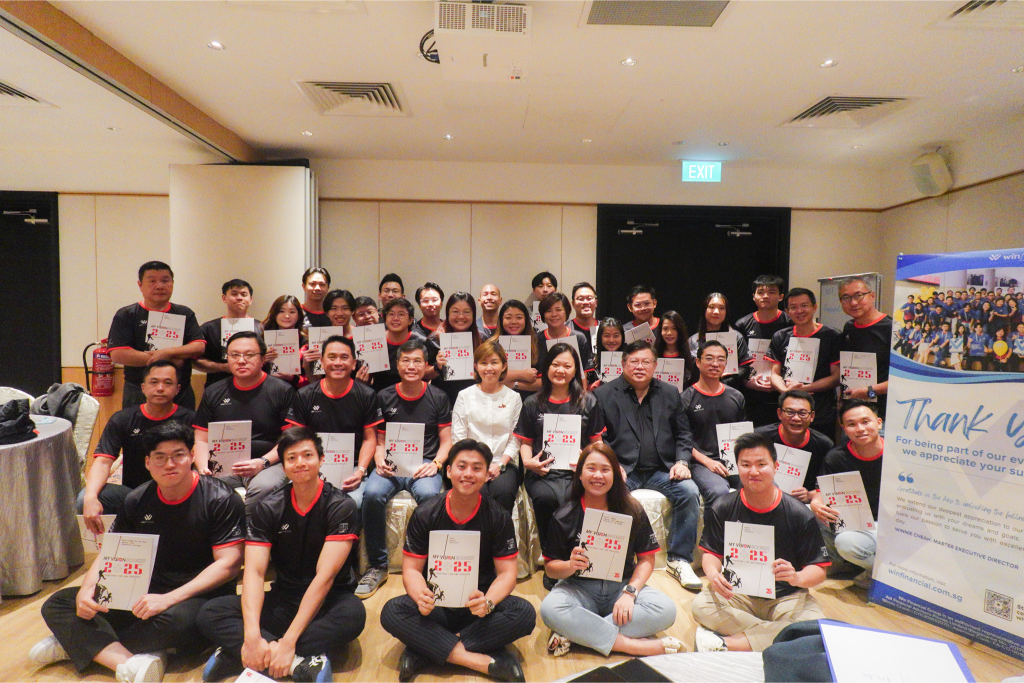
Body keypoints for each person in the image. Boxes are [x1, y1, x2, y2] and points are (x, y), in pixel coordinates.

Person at [31, 422, 245, 683]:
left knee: (181, 622)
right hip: (144, 590)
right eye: (160, 457)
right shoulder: (137, 499)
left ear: (191, 456)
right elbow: (111, 552)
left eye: (178, 455)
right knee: (60, 603)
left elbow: (229, 565)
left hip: (197, 596)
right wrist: (87, 589)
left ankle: (77, 643)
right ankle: (128, 660)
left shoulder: (221, 498)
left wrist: (168, 599)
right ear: (147, 462)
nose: (169, 464)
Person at [196, 429, 364, 682]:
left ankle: (241, 655)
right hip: (284, 597)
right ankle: (296, 660)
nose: (300, 463)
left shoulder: (341, 506)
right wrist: (252, 636)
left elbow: (325, 578)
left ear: (321, 459)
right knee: (210, 612)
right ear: (283, 466)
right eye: (292, 458)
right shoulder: (268, 507)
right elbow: (255, 573)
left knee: (353, 616)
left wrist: (288, 642)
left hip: (329, 599)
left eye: (307, 455)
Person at [380, 439, 534, 683]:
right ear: (449, 471)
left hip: (478, 607)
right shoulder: (426, 513)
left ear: (487, 474)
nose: (468, 474)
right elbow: (411, 570)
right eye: (461, 466)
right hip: (436, 606)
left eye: (477, 468)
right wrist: (421, 597)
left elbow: (507, 574)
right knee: (392, 611)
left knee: (524, 613)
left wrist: (488, 603)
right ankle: (481, 661)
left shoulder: (498, 516)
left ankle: (427, 649)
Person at [692, 431, 829, 653]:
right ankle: (781, 636)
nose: (753, 471)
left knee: (814, 625)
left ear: (775, 466)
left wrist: (796, 577)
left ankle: (730, 643)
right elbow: (712, 554)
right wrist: (713, 575)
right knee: (701, 606)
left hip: (786, 597)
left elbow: (819, 569)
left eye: (761, 464)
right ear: (737, 467)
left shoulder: (799, 514)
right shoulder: (723, 506)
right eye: (745, 465)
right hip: (738, 594)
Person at [540, 443, 682, 658]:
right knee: (550, 609)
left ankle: (578, 634)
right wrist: (570, 565)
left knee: (666, 609)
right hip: (578, 588)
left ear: (615, 474)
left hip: (621, 587)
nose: (598, 475)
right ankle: (631, 646)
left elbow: (647, 559)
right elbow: (551, 569)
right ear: (579, 474)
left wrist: (630, 593)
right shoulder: (564, 515)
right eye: (591, 468)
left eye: (605, 469)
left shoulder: (632, 510)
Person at [594, 341, 703, 591]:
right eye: (633, 361)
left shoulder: (669, 393)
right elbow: (599, 437)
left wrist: (682, 462)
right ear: (623, 364)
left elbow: (683, 433)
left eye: (646, 362)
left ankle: (678, 559)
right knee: (606, 493)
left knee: (689, 491)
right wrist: (611, 465)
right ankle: (613, 560)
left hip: (661, 469)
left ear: (655, 365)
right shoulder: (604, 394)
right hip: (623, 469)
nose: (639, 367)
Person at [357, 339, 452, 599]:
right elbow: (379, 440)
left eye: (417, 361)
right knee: (372, 494)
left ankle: (430, 562)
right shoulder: (384, 396)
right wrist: (379, 459)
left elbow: (446, 441)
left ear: (426, 365)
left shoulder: (438, 397)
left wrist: (436, 464)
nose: (411, 366)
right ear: (397, 365)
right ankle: (378, 565)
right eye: (406, 361)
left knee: (430, 496)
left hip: (424, 464)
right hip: (391, 464)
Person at [514, 343, 604, 586]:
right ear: (547, 367)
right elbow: (525, 442)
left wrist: (587, 459)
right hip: (542, 472)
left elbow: (596, 442)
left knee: (572, 498)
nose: (560, 370)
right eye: (555, 364)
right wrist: (528, 462)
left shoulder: (588, 402)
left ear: (575, 370)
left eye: (567, 365)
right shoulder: (533, 402)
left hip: (577, 472)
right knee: (546, 499)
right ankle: (552, 563)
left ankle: (581, 562)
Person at [79, 361, 196, 523]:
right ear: (143, 387)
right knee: (84, 499)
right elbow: (103, 462)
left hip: (179, 493)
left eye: (168, 383)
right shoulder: (122, 419)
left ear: (178, 389)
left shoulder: (192, 420)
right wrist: (90, 497)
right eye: (154, 382)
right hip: (134, 493)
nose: (160, 388)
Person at [193, 332, 296, 512]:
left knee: (263, 487)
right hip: (224, 466)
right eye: (235, 355)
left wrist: (263, 462)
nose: (241, 361)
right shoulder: (213, 392)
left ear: (262, 359)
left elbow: (290, 438)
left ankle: (248, 529)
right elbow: (201, 439)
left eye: (249, 355)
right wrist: (203, 469)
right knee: (196, 484)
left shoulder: (282, 390)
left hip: (268, 464)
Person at [286, 336, 382, 508]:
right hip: (312, 466)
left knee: (352, 502)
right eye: (332, 357)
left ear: (354, 363)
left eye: (344, 357)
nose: (338, 363)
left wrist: (360, 471)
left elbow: (369, 439)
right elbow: (297, 439)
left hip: (352, 468)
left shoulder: (367, 395)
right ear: (322, 362)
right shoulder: (305, 395)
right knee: (299, 499)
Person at [107, 261, 205, 409]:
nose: (159, 286)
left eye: (165, 281)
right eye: (152, 281)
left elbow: (198, 346)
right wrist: (168, 359)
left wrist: (168, 352)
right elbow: (118, 354)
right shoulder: (127, 314)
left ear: (172, 283)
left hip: (180, 391)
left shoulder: (184, 313)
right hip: (138, 391)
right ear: (140, 285)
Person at [810, 400, 883, 585]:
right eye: (851, 424)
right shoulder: (836, 457)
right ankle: (845, 564)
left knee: (847, 542)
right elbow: (821, 492)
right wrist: (816, 503)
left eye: (865, 422)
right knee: (807, 512)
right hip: (855, 521)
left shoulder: (898, 454)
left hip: (890, 524)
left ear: (879, 422)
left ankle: (886, 578)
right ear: (843, 428)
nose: (860, 429)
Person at [451, 340, 524, 512]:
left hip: (504, 463)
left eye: (494, 362)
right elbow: (459, 436)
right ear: (476, 366)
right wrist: (475, 465)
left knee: (503, 493)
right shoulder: (464, 395)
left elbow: (516, 438)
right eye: (483, 363)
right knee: (477, 493)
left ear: (504, 366)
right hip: (471, 463)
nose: (489, 368)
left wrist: (500, 464)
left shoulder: (514, 398)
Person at [680, 341, 747, 509]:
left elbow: (743, 435)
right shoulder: (685, 398)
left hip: (733, 460)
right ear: (698, 362)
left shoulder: (736, 397)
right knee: (719, 492)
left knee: (765, 484)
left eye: (721, 359)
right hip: (701, 463)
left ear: (726, 364)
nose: (715, 364)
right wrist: (708, 461)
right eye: (709, 358)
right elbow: (680, 438)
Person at [767, 288, 841, 437]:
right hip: (788, 412)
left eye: (804, 305)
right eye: (793, 307)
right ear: (787, 311)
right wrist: (785, 391)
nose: (799, 311)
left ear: (814, 307)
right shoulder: (780, 336)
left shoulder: (832, 336)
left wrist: (806, 389)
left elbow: (837, 377)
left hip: (821, 412)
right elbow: (774, 373)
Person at [753, 390, 833, 502]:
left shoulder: (824, 445)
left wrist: (810, 495)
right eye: (789, 412)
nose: (796, 418)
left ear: (812, 416)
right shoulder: (759, 438)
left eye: (802, 413)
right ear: (779, 414)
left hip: (803, 504)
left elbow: (830, 485)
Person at [735, 275, 790, 427]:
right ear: (754, 297)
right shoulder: (742, 324)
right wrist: (747, 382)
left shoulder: (789, 322)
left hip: (783, 392)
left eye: (771, 292)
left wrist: (780, 383)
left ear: (781, 297)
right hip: (751, 393)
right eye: (760, 292)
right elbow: (737, 360)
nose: (765, 296)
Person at [837, 277, 892, 419]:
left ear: (872, 296)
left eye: (859, 295)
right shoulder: (849, 327)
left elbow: (903, 380)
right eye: (846, 298)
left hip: (883, 414)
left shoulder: (892, 329)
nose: (853, 303)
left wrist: (869, 391)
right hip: (852, 411)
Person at [195, 279, 264, 389]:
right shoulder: (209, 328)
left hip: (256, 387)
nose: (239, 298)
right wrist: (223, 367)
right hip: (218, 388)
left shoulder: (262, 328)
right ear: (224, 298)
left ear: (250, 299)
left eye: (244, 294)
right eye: (234, 294)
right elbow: (195, 361)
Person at [688, 293, 752, 393]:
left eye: (722, 308)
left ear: (726, 312)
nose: (716, 312)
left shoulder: (736, 337)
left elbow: (745, 368)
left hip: (728, 392)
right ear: (704, 310)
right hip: (700, 393)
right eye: (711, 307)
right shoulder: (692, 340)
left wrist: (727, 379)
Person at [372, 298, 435, 391]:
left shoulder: (421, 342)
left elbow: (429, 371)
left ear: (410, 320)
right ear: (385, 319)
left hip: (414, 392)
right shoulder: (374, 340)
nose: (395, 318)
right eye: (391, 314)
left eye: (401, 314)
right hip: (380, 394)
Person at [432, 292, 483, 406]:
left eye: (466, 312)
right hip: (443, 400)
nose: (461, 316)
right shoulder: (435, 339)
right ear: (447, 313)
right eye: (455, 311)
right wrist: (437, 367)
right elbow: (424, 375)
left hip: (475, 400)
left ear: (473, 314)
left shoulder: (482, 338)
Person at [491, 300, 542, 397]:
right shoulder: (492, 345)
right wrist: (522, 374)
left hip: (528, 399)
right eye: (508, 317)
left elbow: (542, 383)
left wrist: (514, 384)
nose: (514, 322)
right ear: (501, 320)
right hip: (498, 398)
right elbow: (490, 375)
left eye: (519, 317)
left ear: (526, 320)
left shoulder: (537, 344)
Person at [535, 292, 592, 374]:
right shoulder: (536, 340)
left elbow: (583, 375)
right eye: (548, 311)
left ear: (566, 312)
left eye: (558, 310)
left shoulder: (579, 338)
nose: (554, 314)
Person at [262, 295, 307, 386]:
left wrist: (293, 378)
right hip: (267, 389)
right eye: (281, 311)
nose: (286, 316)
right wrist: (261, 361)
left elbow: (313, 382)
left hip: (296, 390)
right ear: (274, 314)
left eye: (292, 312)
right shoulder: (261, 340)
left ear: (299, 316)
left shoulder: (306, 343)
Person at [654, 310, 696, 389]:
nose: (669, 333)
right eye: (665, 328)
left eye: (674, 328)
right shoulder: (654, 357)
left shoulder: (691, 359)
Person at [588, 317, 625, 390]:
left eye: (616, 336)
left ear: (622, 337)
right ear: (600, 337)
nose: (611, 340)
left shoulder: (629, 360)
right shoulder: (591, 362)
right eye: (607, 336)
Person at [568, 283, 599, 354]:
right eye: (580, 299)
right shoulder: (566, 330)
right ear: (573, 304)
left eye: (589, 298)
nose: (585, 302)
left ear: (596, 303)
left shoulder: (604, 328)